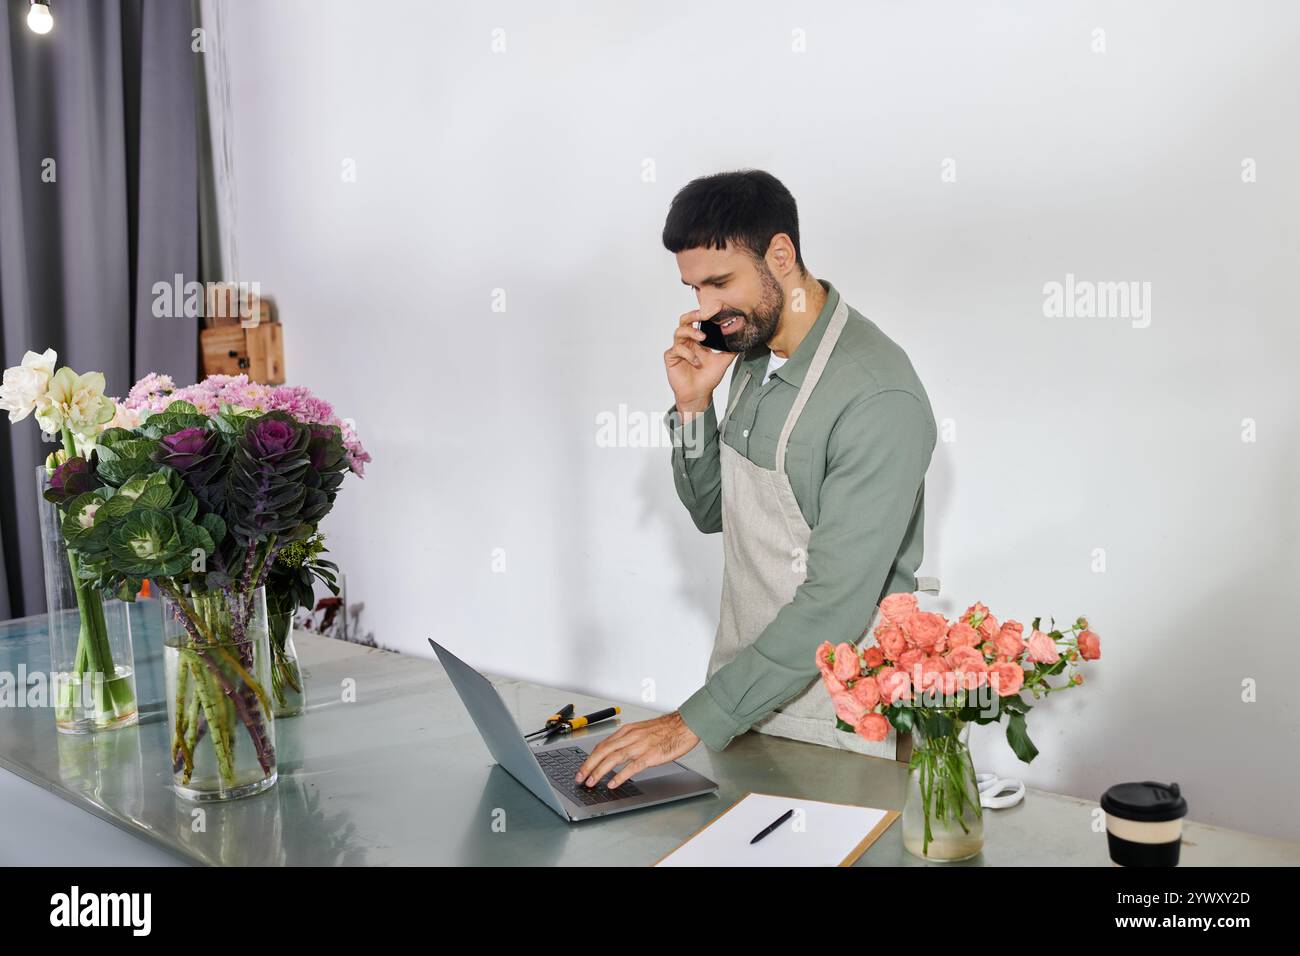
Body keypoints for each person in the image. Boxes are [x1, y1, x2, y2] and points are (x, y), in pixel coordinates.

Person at [576, 169, 936, 791]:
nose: (706, 311)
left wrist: (691, 721)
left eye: (720, 283)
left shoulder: (877, 395)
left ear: (781, 254)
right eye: (694, 289)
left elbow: (836, 604)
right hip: (746, 698)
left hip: (840, 719)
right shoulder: (748, 358)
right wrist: (694, 407)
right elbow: (715, 511)